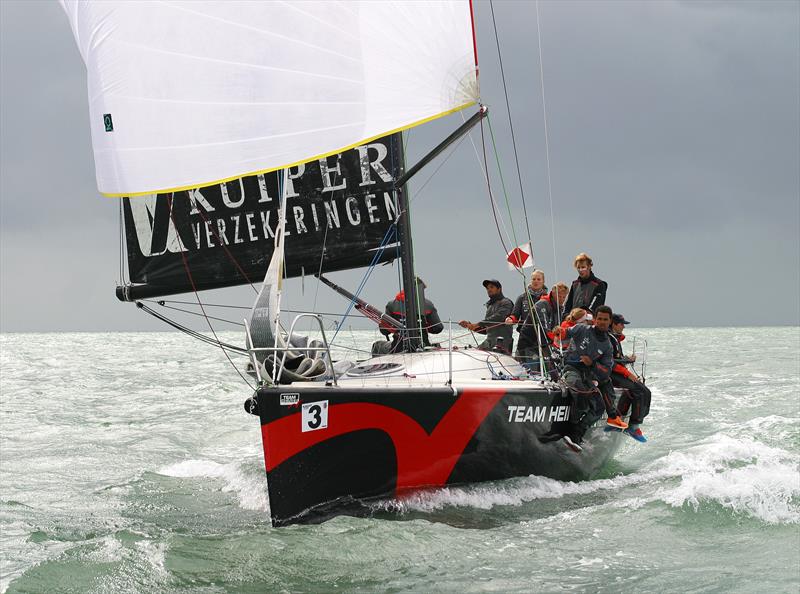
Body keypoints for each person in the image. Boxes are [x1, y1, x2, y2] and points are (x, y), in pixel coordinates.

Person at [546, 305, 627, 453]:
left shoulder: (608, 346)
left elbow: (606, 372)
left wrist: (593, 364)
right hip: (572, 369)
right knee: (580, 391)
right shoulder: (582, 329)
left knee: (600, 406)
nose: (602, 322)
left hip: (588, 375)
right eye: (599, 319)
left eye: (605, 319)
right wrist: (559, 331)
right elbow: (565, 333)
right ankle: (568, 429)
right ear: (594, 319)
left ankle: (577, 433)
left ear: (609, 322)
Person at [608, 313, 651, 443]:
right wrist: (628, 374)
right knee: (642, 391)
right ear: (614, 324)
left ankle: (619, 418)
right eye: (622, 324)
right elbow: (611, 363)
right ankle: (633, 426)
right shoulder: (609, 338)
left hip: (616, 372)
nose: (623, 327)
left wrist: (627, 359)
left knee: (643, 392)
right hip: (611, 374)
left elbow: (617, 357)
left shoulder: (614, 338)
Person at [372, 277, 443, 355]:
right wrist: (424, 326)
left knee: (377, 345)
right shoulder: (428, 304)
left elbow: (384, 331)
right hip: (423, 346)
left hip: (398, 347)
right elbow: (438, 328)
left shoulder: (391, 305)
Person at [459, 279, 514, 354]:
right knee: (471, 353)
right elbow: (486, 330)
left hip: (502, 343)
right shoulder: (490, 306)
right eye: (487, 288)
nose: (489, 290)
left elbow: (498, 318)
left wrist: (478, 324)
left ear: (499, 289)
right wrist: (470, 326)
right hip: (489, 343)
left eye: (491, 287)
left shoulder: (506, 303)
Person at [505, 270, 548, 363]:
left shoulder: (547, 298)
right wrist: (511, 319)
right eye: (533, 279)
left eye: (538, 279)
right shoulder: (522, 297)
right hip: (524, 336)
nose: (536, 281)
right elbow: (515, 315)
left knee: (540, 365)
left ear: (543, 281)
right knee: (521, 363)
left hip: (542, 337)